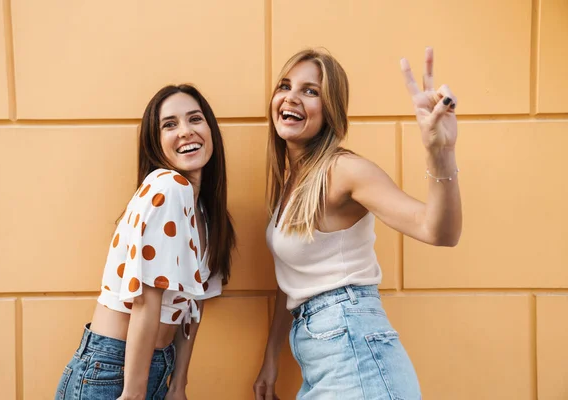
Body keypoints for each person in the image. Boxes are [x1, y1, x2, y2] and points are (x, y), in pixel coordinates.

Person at [254, 47, 461, 399]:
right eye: (285, 85)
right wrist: (271, 358)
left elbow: (438, 231)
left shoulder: (343, 171)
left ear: (330, 109)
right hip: (323, 355)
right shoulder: (292, 183)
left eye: (310, 91)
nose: (291, 97)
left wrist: (440, 153)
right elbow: (291, 279)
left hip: (355, 355)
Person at [55, 84, 235, 400]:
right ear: (156, 142)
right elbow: (145, 300)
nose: (185, 131)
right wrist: (135, 392)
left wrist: (178, 384)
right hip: (115, 370)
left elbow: (192, 307)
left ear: (210, 129)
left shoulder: (204, 212)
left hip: (156, 367)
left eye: (195, 119)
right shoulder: (168, 187)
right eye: (170, 124)